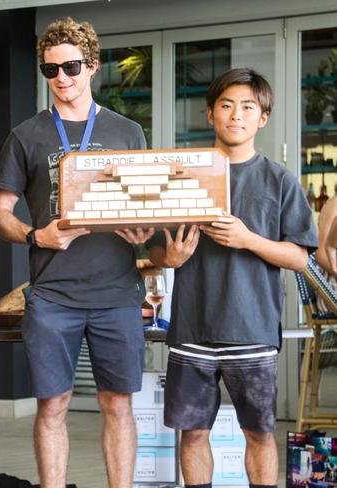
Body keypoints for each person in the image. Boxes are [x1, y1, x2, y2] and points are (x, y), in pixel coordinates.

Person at [0, 17, 153, 488]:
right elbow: (0, 213)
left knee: (117, 404)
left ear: (93, 67)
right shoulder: (26, 135)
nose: (62, 77)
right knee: (53, 405)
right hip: (53, 294)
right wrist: (37, 236)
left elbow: (144, 204)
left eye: (72, 66)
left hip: (118, 291)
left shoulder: (128, 131)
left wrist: (142, 232)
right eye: (50, 69)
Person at [148, 68, 317, 487]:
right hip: (191, 328)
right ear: (210, 115)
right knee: (193, 434)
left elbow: (298, 258)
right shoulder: (182, 177)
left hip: (253, 331)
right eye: (226, 105)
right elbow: (154, 251)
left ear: (263, 117)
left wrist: (247, 239)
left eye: (247, 107)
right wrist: (168, 256)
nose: (235, 115)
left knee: (259, 433)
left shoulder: (280, 180)